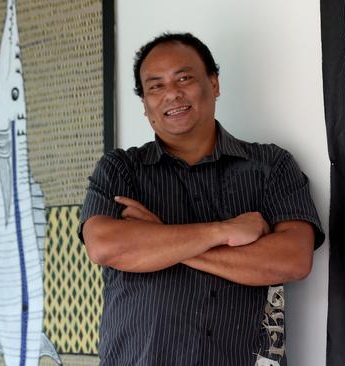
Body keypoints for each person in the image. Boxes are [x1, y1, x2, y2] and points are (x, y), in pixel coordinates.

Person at [79, 32, 324, 366]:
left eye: (184, 78)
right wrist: (222, 232)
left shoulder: (271, 166)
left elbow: (293, 260)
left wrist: (159, 238)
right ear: (145, 104)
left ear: (214, 84)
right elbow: (105, 246)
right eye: (156, 86)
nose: (172, 94)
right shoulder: (121, 169)